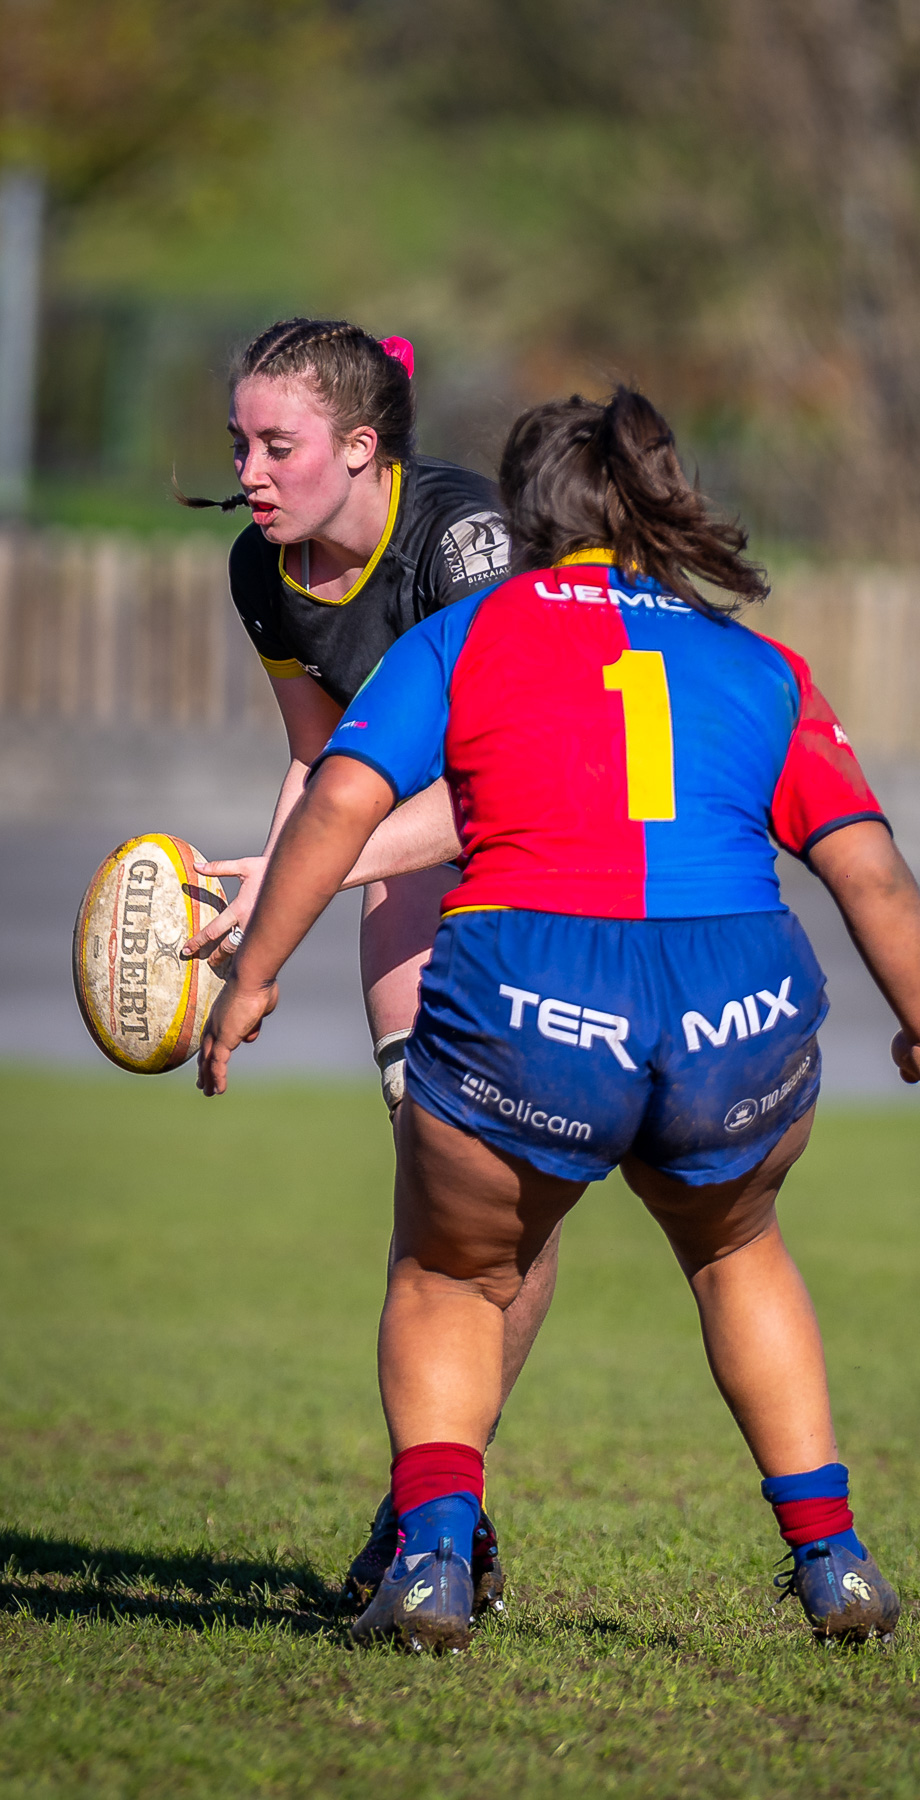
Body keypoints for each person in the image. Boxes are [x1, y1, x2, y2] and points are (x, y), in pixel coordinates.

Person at [197, 386, 920, 1656]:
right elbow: (868, 867)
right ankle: (832, 1560)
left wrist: (258, 975)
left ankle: (437, 1562)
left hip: (534, 992)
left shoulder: (468, 634)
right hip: (743, 1002)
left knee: (454, 1272)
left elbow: (339, 800)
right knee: (737, 1249)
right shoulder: (755, 661)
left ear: (523, 509)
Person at [176, 315, 559, 1613]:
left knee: (495, 1203)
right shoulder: (262, 568)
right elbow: (319, 761)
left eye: (276, 444)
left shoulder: (467, 541)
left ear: (360, 444)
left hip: (554, 862)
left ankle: (432, 1518)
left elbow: (505, 777)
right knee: (438, 1193)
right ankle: (439, 1522)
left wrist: (310, 875)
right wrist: (258, 901)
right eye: (239, 443)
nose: (250, 471)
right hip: (401, 860)